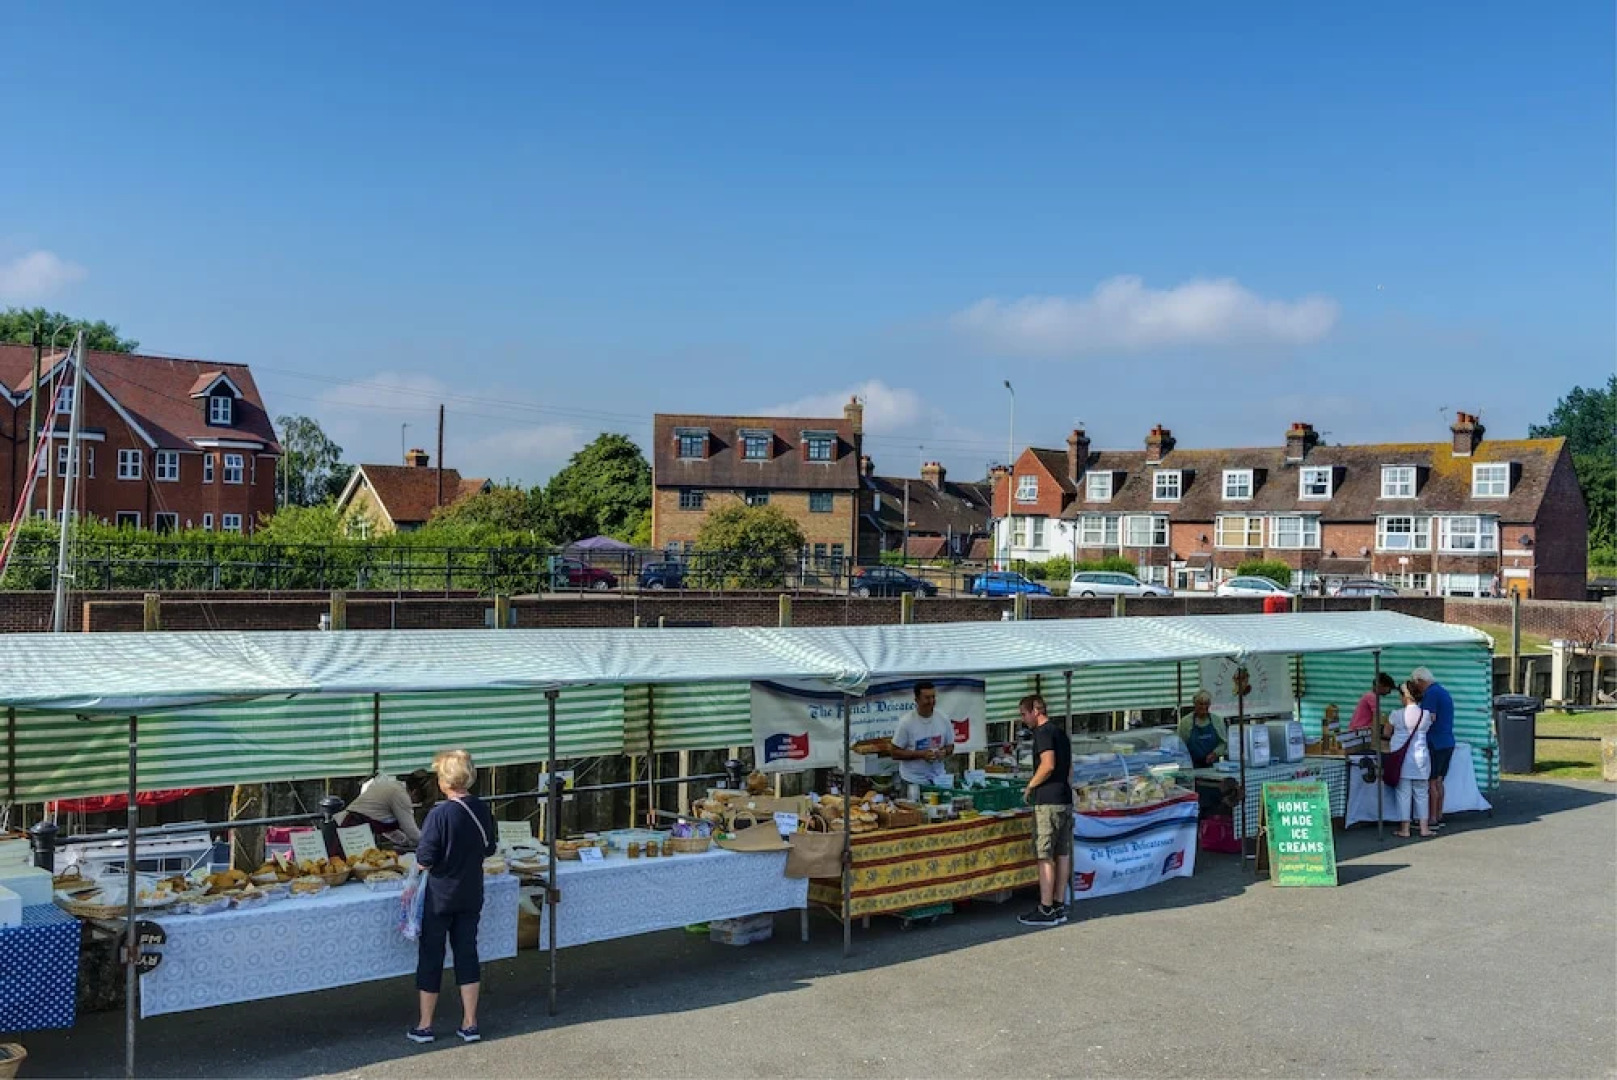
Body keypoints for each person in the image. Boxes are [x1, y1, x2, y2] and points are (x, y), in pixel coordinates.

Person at [408, 749, 497, 1045]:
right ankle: (470, 1023)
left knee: (431, 955)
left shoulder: (439, 814)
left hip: (440, 895)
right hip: (472, 891)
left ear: (444, 780)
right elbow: (489, 849)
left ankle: (425, 1025)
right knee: (467, 952)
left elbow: (425, 857)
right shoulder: (481, 808)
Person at [1016, 694, 1073, 928]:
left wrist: (1031, 785)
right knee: (1062, 852)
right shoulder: (1061, 733)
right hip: (1064, 797)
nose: (1023, 718)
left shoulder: (1043, 733)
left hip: (1048, 800)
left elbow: (1048, 764)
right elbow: (1068, 768)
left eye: (1023, 713)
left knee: (1044, 854)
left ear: (1036, 711)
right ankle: (1059, 904)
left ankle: (1046, 907)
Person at [1386, 683, 1434, 838]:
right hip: (1421, 757)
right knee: (1422, 793)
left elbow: (1386, 732)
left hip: (1402, 759)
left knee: (1403, 794)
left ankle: (1405, 829)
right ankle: (1424, 828)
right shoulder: (1426, 715)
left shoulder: (1395, 715)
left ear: (1405, 697)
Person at [1410, 667, 1455, 828]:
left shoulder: (1431, 694)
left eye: (1416, 684)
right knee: (1440, 781)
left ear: (1420, 681)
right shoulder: (1442, 691)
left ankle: (1431, 818)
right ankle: (1439, 814)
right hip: (1447, 741)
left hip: (1435, 742)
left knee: (1431, 782)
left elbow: (1429, 717)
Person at [890, 681, 956, 789]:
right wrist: (921, 754)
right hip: (912, 780)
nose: (931, 701)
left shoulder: (943, 718)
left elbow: (950, 746)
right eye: (927, 698)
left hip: (938, 779)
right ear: (917, 700)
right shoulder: (906, 722)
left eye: (933, 697)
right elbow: (894, 752)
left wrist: (944, 752)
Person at [339, 771, 431, 848]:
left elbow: (388, 830)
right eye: (417, 800)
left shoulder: (393, 786)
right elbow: (411, 831)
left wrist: (406, 842)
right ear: (415, 792)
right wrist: (430, 845)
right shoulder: (401, 795)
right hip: (354, 829)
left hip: (352, 825)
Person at [1177, 691, 1228, 767]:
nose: (1204, 707)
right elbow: (1179, 746)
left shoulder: (1217, 720)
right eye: (1201, 704)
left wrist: (1215, 753)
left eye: (1206, 704)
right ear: (1195, 704)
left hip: (1213, 767)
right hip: (1191, 767)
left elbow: (1223, 743)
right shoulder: (1186, 722)